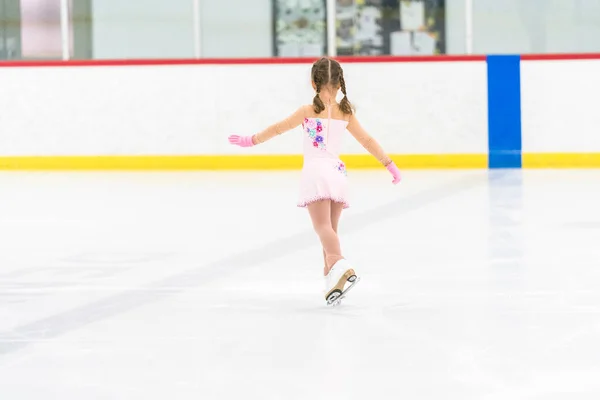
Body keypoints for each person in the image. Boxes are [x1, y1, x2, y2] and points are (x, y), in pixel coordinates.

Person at [228, 57, 401, 305]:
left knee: (322, 230)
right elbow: (368, 141)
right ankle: (332, 284)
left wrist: (251, 140)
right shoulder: (345, 114)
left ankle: (342, 266)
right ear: (340, 84)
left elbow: (278, 128)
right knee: (330, 231)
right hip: (338, 173)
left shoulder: (307, 111)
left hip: (316, 173)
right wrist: (389, 165)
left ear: (313, 83)